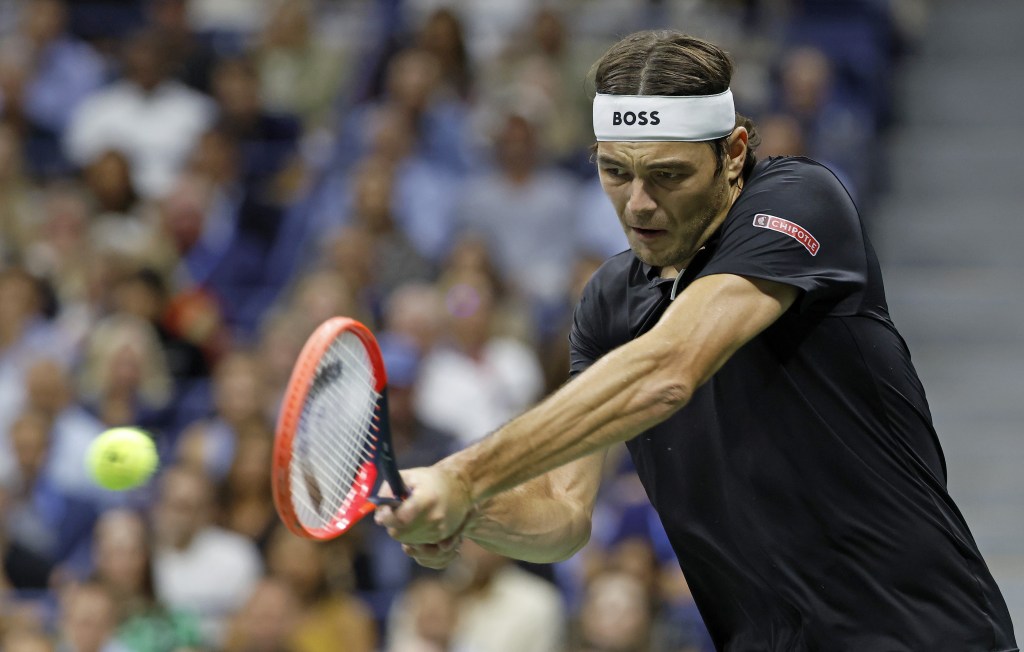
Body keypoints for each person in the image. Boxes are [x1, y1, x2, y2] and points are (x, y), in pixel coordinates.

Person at [376, 30, 1018, 651]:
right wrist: (468, 510)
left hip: (924, 634)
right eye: (614, 171)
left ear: (734, 151)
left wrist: (466, 473)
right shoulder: (608, 302)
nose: (638, 205)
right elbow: (561, 515)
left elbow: (669, 369)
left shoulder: (800, 201)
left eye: (668, 174)